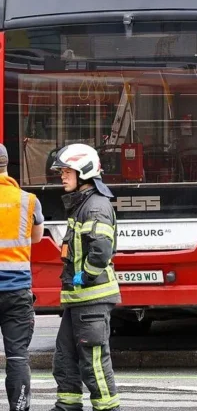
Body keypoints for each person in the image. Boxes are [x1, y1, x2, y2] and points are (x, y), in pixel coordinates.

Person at [49, 144, 121, 411]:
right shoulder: (82, 204)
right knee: (65, 359)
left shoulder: (95, 207)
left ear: (84, 172)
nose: (62, 176)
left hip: (91, 299)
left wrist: (86, 276)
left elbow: (101, 251)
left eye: (67, 171)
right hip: (78, 300)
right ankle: (67, 406)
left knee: (94, 362)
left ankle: (107, 408)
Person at [0, 144, 45, 411]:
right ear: (7, 165)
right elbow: (37, 238)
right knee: (17, 357)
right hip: (16, 292)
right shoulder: (29, 200)